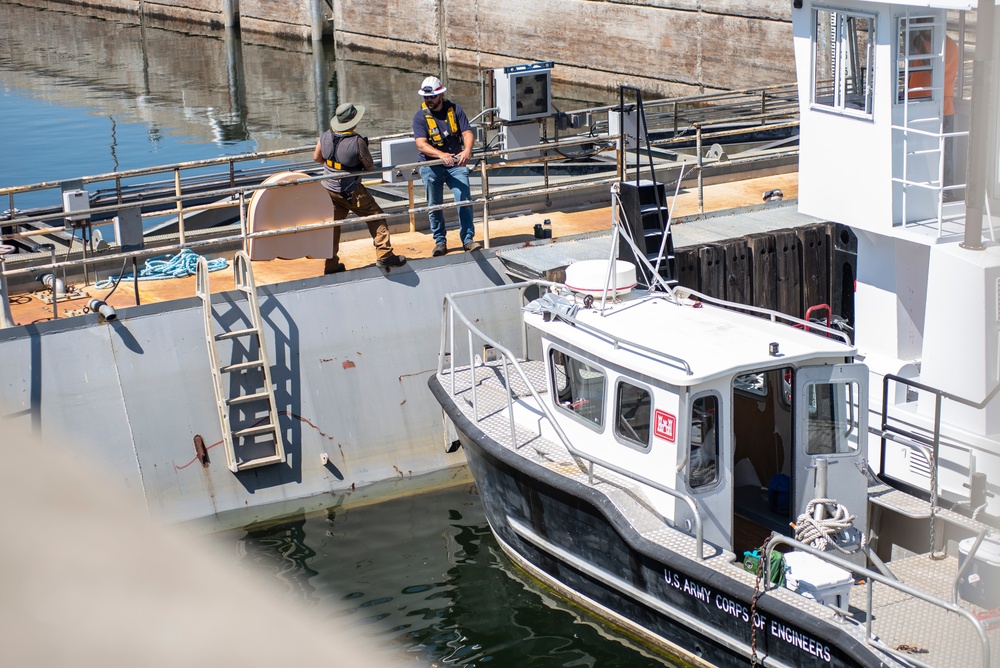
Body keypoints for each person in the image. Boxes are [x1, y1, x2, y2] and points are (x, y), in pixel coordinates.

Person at [313, 102, 406, 273]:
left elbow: (317, 157)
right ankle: (385, 254)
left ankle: (331, 265)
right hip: (351, 192)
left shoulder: (325, 135)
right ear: (353, 122)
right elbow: (369, 167)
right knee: (376, 216)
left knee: (332, 228)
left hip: (329, 190)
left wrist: (334, 167)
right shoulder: (357, 141)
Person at [412, 76, 480, 256]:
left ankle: (468, 240)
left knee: (464, 199)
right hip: (431, 164)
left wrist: (467, 151)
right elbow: (421, 144)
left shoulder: (456, 110)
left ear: (440, 95)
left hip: (456, 163)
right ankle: (440, 242)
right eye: (426, 98)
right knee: (434, 205)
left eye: (432, 97)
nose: (429, 101)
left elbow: (467, 133)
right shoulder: (420, 117)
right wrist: (441, 155)